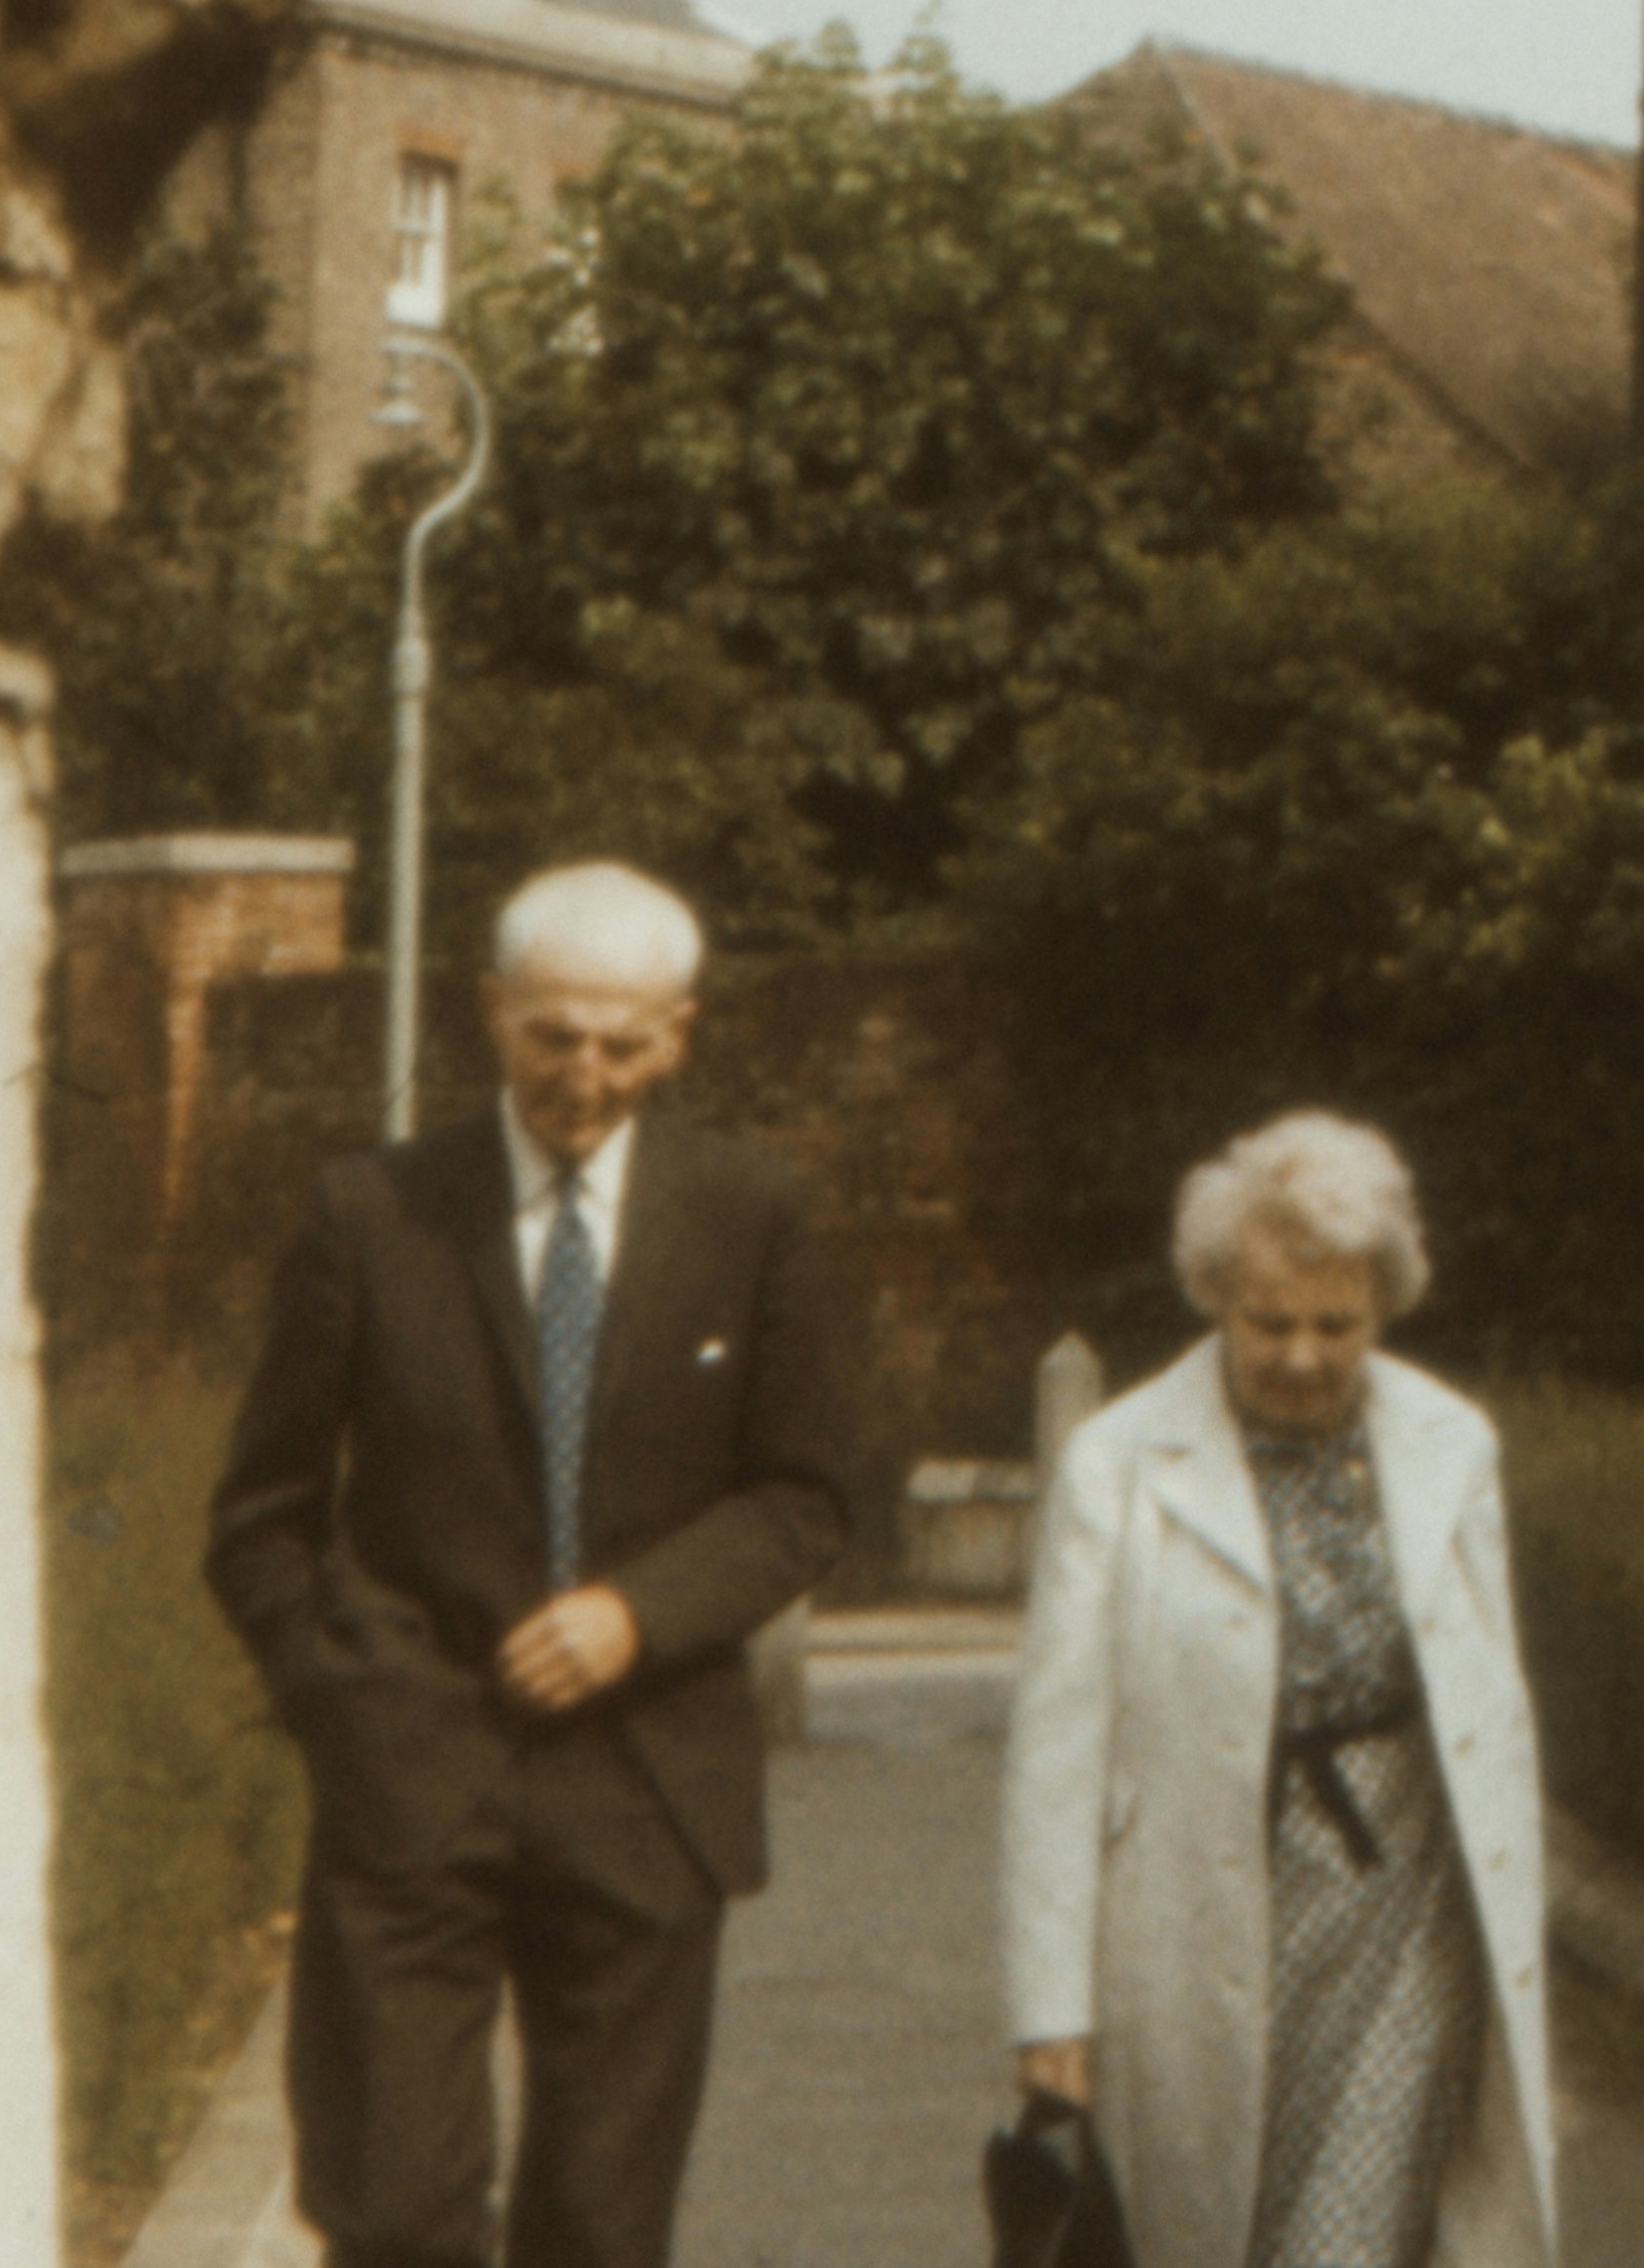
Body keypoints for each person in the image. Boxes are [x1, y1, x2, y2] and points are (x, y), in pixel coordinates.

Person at [208, 859, 874, 2268]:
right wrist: (345, 1695)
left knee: (602, 2225)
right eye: (552, 1035)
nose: (586, 1073)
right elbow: (261, 1513)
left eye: (625, 1043)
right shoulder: (373, 1213)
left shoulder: (748, 1215)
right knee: (390, 2205)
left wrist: (641, 1613)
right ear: (491, 1011)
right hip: (412, 1775)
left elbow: (808, 1494)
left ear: (680, 1033)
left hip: (644, 1785)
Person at [1001, 1113, 1559, 2268]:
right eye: (1270, 1322)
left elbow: (1494, 1709)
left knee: (1345, 2240)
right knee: (1218, 2231)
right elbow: (1058, 1742)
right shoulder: (1118, 1459)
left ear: (1384, 1304)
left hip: (1406, 1904)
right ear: (1213, 1295)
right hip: (1201, 1912)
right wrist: (1050, 2003)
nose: (1303, 1354)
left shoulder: (1453, 1443)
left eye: (1335, 1324)